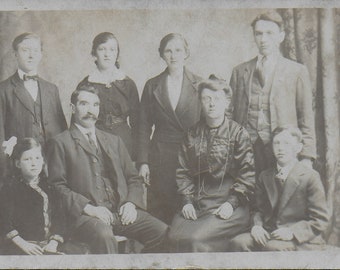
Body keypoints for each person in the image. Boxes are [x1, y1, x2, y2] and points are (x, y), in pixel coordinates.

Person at [47, 85, 168, 254]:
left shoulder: (114, 141)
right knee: (105, 235)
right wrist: (89, 208)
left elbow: (133, 178)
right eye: (84, 104)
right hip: (85, 216)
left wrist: (131, 203)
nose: (91, 110)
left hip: (119, 212)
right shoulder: (60, 142)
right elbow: (57, 187)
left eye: (95, 105)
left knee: (162, 232)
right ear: (73, 108)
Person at [168, 77, 255, 252]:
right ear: (201, 102)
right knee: (173, 236)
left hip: (229, 202)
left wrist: (231, 203)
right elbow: (183, 171)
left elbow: (247, 174)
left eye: (217, 99)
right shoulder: (192, 133)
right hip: (198, 201)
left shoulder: (238, 133)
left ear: (227, 102)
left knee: (195, 239)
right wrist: (186, 202)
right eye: (207, 99)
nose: (212, 104)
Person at [229, 11, 316, 177]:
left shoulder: (296, 71)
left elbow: (306, 118)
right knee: (249, 197)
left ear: (281, 36)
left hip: (283, 149)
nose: (263, 39)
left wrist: (307, 157)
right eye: (259, 34)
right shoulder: (239, 72)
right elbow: (229, 115)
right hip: (246, 149)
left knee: (279, 198)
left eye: (270, 33)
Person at [230, 126, 329, 251]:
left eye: (287, 143)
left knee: (272, 248)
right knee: (238, 243)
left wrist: (292, 232)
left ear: (298, 148)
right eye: (276, 143)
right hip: (270, 232)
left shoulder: (310, 177)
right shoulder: (265, 176)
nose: (281, 148)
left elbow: (320, 219)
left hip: (301, 238)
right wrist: (257, 226)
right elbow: (257, 210)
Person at [137, 33, 202, 224]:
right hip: (160, 157)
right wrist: (143, 161)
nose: (173, 56)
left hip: (192, 155)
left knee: (189, 209)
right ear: (161, 55)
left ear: (186, 53)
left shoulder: (200, 84)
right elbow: (142, 126)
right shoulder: (152, 85)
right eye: (168, 51)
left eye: (178, 50)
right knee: (160, 212)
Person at [0, 33, 67, 186]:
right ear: (15, 54)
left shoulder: (52, 89)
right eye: (25, 50)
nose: (31, 55)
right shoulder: (3, 90)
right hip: (19, 170)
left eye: (35, 50)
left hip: (52, 164)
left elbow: (62, 129)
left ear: (41, 54)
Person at [76, 32, 139, 160]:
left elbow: (138, 123)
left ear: (117, 54)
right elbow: (77, 121)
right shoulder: (86, 83)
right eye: (102, 49)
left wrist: (140, 158)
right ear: (94, 54)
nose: (107, 54)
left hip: (123, 142)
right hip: (94, 141)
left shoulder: (128, 84)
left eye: (112, 49)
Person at [0, 138, 65, 255]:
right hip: (21, 246)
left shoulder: (51, 188)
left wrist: (53, 243)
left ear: (43, 161)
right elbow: (5, 221)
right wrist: (23, 244)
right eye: (27, 159)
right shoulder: (9, 189)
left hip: (49, 246)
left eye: (37, 158)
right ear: (18, 163)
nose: (34, 163)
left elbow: (60, 218)